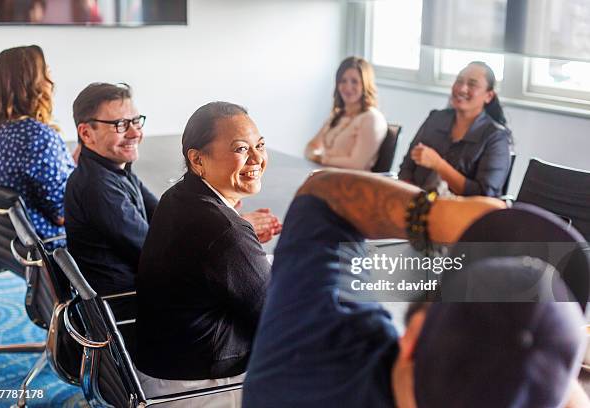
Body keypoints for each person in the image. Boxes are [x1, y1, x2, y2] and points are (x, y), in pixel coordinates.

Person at [242, 168, 588, 408]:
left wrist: (435, 214)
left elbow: (322, 195)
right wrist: (550, 363)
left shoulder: (304, 354)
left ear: (415, 336)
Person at [135, 102, 279, 407]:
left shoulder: (178, 196)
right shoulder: (224, 232)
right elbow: (278, 317)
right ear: (197, 160)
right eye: (241, 149)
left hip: (159, 366)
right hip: (194, 387)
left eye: (260, 145)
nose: (257, 159)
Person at [64, 82, 157, 298]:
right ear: (86, 134)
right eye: (120, 125)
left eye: (135, 121)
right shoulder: (98, 187)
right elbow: (154, 252)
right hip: (129, 304)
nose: (135, 133)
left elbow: (162, 214)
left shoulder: (113, 169)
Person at [0, 45, 75, 247]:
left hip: (14, 245)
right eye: (47, 72)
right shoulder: (38, 136)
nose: (52, 80)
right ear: (33, 83)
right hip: (52, 247)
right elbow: (63, 214)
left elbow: (41, 178)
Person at [398, 61, 512, 197]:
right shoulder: (435, 118)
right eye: (459, 81)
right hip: (417, 205)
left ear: (489, 96)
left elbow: (484, 194)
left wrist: (438, 164)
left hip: (459, 213)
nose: (462, 89)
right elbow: (406, 168)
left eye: (472, 84)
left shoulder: (496, 137)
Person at [305, 56, 387, 170]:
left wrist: (322, 158)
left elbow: (357, 164)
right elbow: (310, 148)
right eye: (343, 81)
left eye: (354, 81)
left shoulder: (371, 118)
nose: (348, 87)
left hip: (351, 183)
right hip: (327, 177)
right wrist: (317, 156)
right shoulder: (337, 116)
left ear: (365, 85)